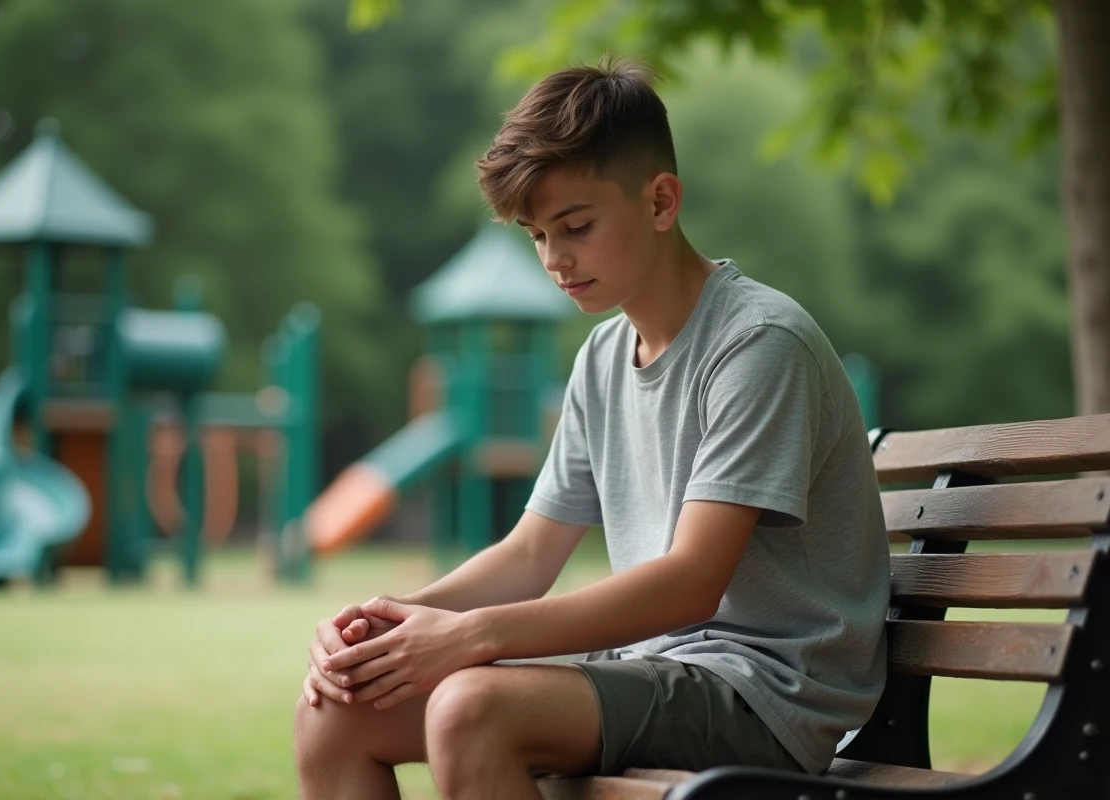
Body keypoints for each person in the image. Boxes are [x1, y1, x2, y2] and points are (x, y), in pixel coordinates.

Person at [293, 55, 890, 800]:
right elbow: (531, 553)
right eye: (536, 235)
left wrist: (475, 637)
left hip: (765, 693)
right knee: (335, 711)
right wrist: (393, 621)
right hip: (649, 670)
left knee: (469, 709)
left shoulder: (759, 344)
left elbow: (691, 584)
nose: (554, 259)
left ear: (662, 202)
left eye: (575, 226)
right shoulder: (603, 356)